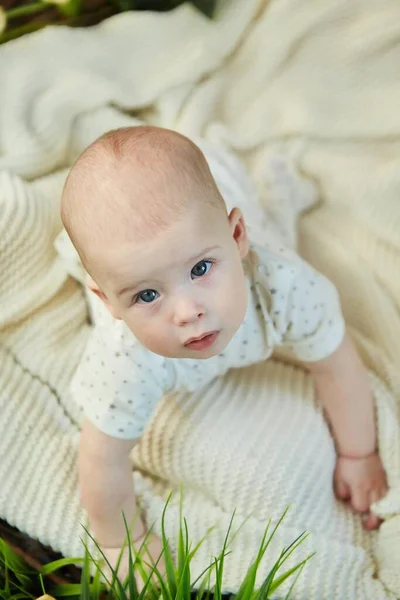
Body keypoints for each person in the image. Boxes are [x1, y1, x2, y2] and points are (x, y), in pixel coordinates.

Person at [61, 125, 388, 585]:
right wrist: (121, 542)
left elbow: (336, 364)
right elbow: (102, 458)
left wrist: (359, 453)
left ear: (236, 238)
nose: (188, 311)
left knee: (246, 201)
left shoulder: (286, 287)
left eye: (200, 269)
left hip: (224, 197)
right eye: (147, 295)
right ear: (108, 303)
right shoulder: (125, 358)